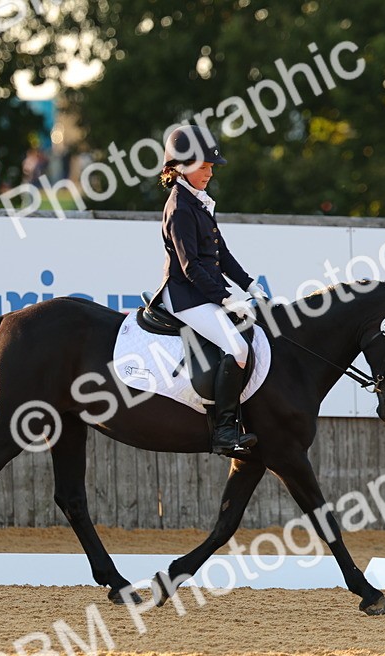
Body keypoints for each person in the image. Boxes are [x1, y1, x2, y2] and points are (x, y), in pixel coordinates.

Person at [149, 125, 268, 455]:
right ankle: (224, 431)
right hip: (184, 297)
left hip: (202, 293)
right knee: (239, 350)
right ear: (181, 168)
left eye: (211, 168)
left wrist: (249, 284)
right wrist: (227, 299)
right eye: (203, 167)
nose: (209, 173)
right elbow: (191, 268)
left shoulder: (199, 202)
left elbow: (222, 254)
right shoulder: (180, 207)